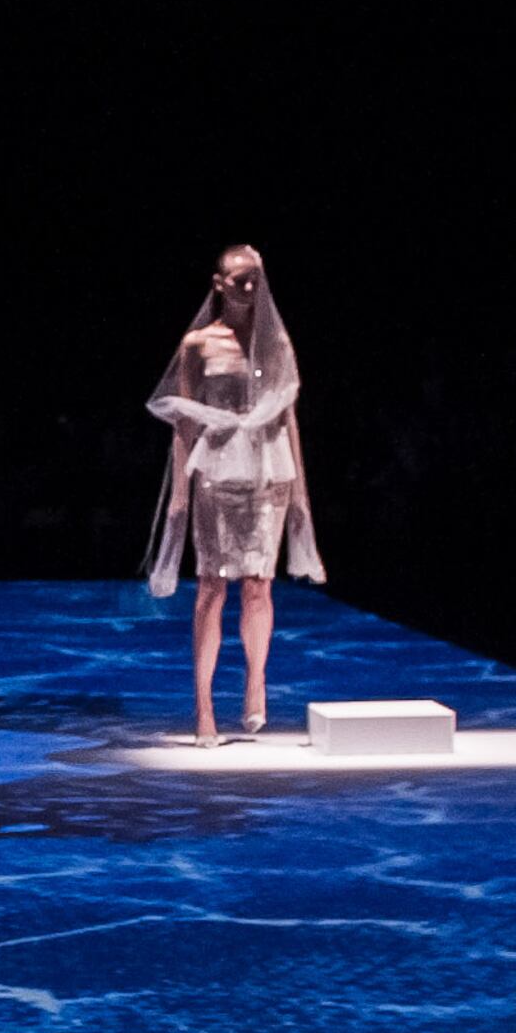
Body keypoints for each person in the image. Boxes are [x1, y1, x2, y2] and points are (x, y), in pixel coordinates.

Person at [143, 244, 324, 744]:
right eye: (240, 280)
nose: (250, 288)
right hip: (219, 473)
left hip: (269, 475)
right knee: (211, 586)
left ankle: (255, 681)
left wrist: (302, 498)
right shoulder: (198, 343)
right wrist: (179, 493)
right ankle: (203, 707)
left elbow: (288, 418)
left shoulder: (276, 343)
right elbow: (183, 420)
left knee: (259, 584)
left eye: (257, 279)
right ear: (219, 284)